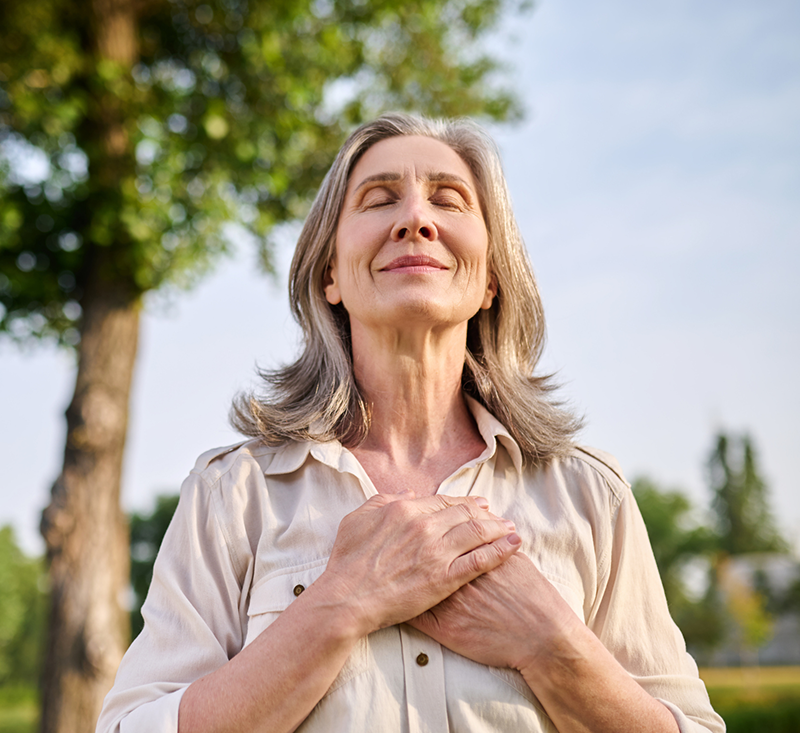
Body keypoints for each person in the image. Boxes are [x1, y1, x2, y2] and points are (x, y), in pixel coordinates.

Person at [96, 113, 725, 733]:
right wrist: (341, 604)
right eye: (379, 199)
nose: (415, 220)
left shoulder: (591, 496)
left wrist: (551, 643)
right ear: (330, 274)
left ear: (491, 281)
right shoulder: (232, 495)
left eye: (449, 201)